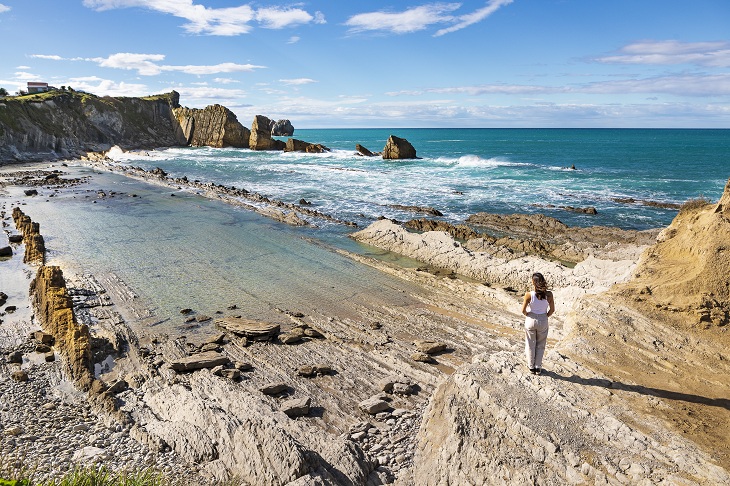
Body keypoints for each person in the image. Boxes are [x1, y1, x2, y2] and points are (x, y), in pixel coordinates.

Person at [521, 272, 555, 375]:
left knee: (530, 344)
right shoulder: (549, 295)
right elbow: (552, 310)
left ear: (533, 282)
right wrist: (544, 317)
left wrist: (529, 315)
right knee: (541, 345)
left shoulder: (528, 295)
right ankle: (538, 367)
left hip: (530, 320)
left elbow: (523, 310)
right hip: (543, 320)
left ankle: (531, 367)